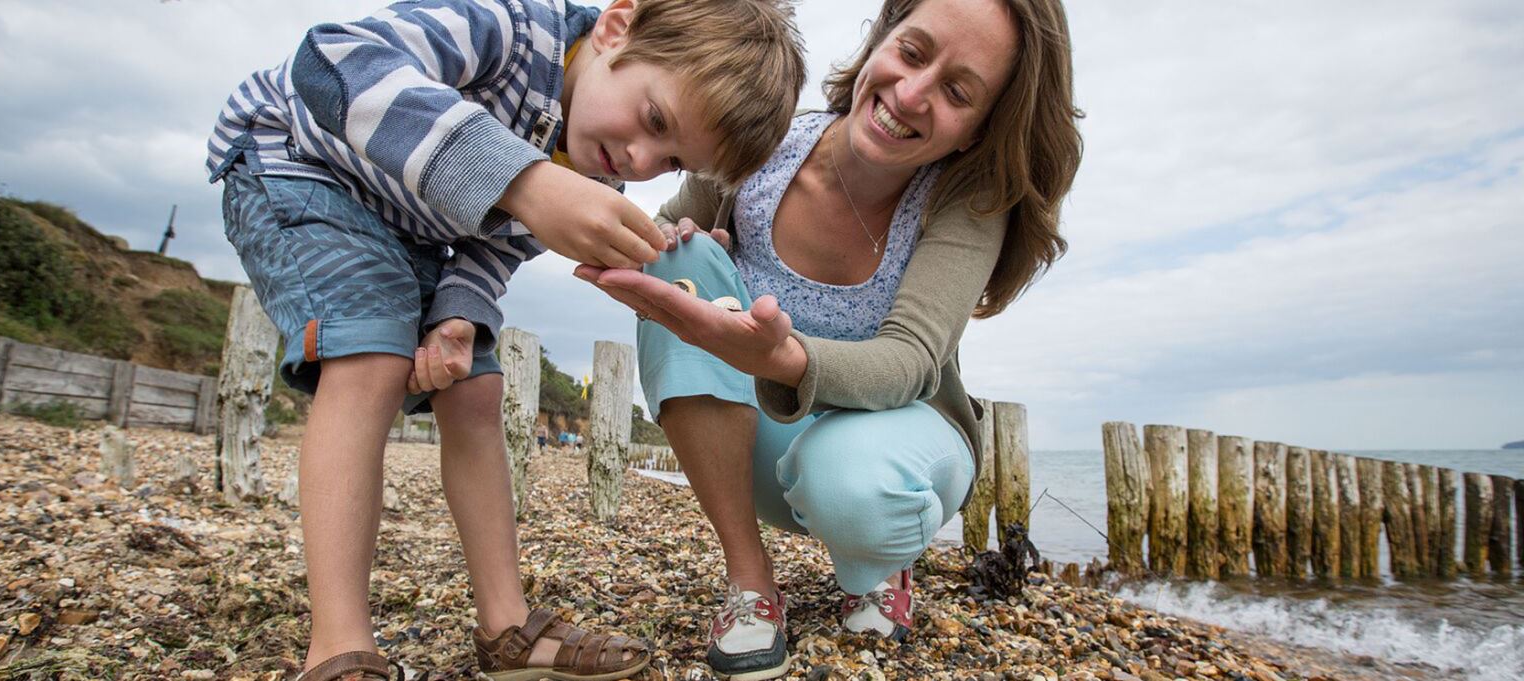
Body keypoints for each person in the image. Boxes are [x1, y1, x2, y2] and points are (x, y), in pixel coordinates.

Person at [205, 1, 804, 679]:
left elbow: (494, 246)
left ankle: (507, 626)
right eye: (655, 120)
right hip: (297, 160)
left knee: (478, 389)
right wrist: (525, 179)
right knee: (371, 355)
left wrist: (458, 317)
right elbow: (332, 59)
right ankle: (339, 645)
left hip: (412, 227)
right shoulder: (509, 28)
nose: (640, 160)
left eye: (668, 161)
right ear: (616, 28)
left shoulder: (596, 164)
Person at [577, 0, 1081, 677]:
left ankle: (878, 567)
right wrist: (657, 242)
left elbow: (909, 361)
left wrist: (783, 356)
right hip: (761, 445)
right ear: (881, 38)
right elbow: (651, 240)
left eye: (957, 91)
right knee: (678, 262)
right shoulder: (761, 142)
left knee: (849, 477)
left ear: (978, 129)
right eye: (911, 52)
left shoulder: (966, 203)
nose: (910, 94)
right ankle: (751, 580)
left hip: (896, 440)